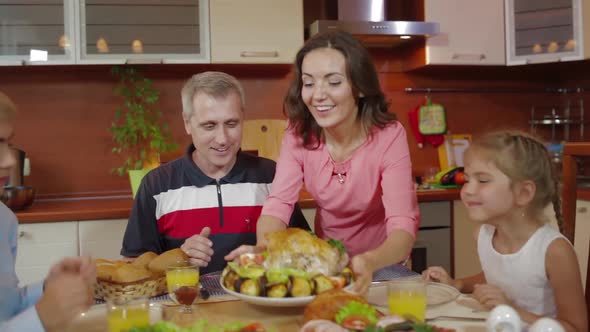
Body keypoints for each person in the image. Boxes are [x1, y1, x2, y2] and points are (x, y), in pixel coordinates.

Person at [227, 30, 420, 294]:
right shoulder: (298, 134)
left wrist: (370, 261)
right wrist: (264, 249)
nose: (318, 95)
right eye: (309, 83)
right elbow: (279, 204)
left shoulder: (388, 135)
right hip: (326, 265)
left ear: (360, 87)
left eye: (333, 82)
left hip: (381, 264)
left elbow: (402, 223)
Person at [121, 71, 310, 275]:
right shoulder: (156, 185)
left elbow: (305, 250)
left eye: (231, 123)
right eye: (209, 126)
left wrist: (268, 254)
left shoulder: (272, 175)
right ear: (187, 123)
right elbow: (132, 268)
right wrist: (179, 257)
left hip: (257, 302)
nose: (222, 139)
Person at [422, 130, 587, 331]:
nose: (468, 190)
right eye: (466, 179)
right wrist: (456, 284)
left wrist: (511, 310)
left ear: (523, 193)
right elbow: (497, 275)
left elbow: (576, 327)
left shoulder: (555, 252)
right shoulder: (483, 235)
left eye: (482, 180)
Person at [0, 92, 96, 332]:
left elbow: (7, 308)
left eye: (7, 143)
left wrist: (48, 289)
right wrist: (41, 319)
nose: (10, 160)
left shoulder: (4, 219)